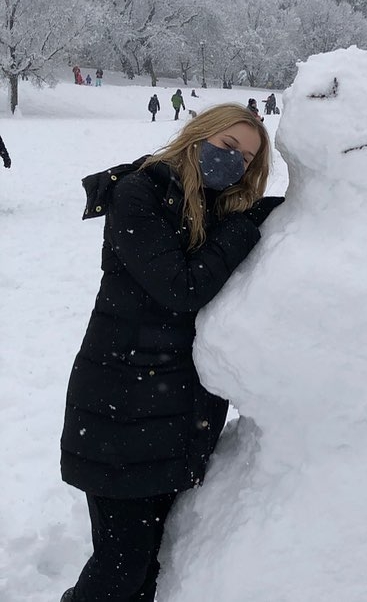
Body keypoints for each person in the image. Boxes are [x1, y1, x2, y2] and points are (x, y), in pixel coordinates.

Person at [59, 104, 284, 602]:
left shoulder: (217, 204)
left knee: (149, 566)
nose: (236, 164)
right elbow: (181, 288)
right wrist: (244, 230)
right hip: (119, 411)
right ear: (198, 135)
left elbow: (262, 214)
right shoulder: (138, 194)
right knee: (120, 567)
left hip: (172, 416)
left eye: (247, 161)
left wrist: (349, 206)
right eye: (228, 147)